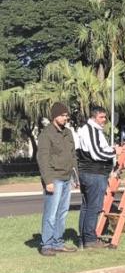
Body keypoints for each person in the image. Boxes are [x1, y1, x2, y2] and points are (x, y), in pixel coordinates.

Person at [75, 105, 125, 249]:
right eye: (101, 117)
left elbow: (98, 150)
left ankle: (83, 239)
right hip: (94, 174)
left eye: (105, 117)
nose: (104, 120)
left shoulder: (92, 130)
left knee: (86, 207)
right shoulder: (90, 130)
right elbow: (97, 154)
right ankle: (90, 240)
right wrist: (115, 151)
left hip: (90, 173)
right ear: (93, 117)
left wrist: (111, 150)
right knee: (93, 207)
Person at [36, 102, 78, 256]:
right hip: (54, 179)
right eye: (62, 115)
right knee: (51, 213)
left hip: (67, 178)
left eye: (67, 115)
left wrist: (76, 177)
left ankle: (58, 243)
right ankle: (46, 245)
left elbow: (73, 156)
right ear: (55, 116)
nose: (65, 118)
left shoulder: (68, 133)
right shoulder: (46, 134)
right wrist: (48, 181)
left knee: (63, 213)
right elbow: (43, 159)